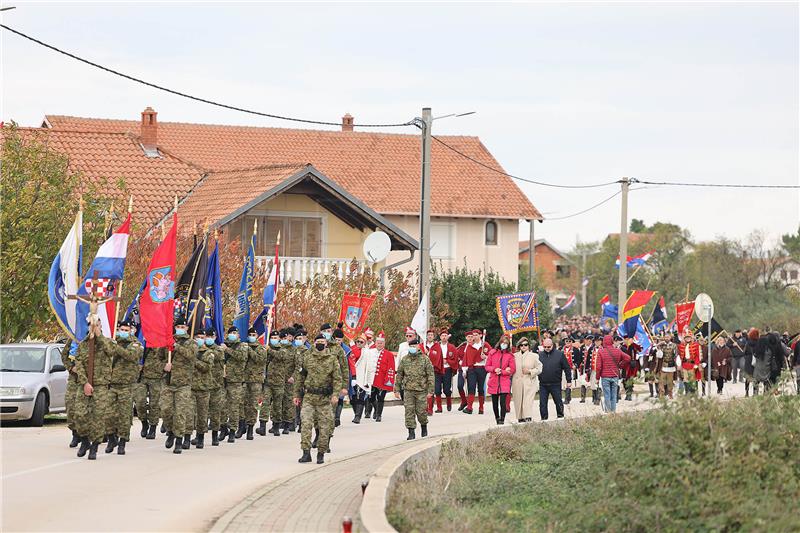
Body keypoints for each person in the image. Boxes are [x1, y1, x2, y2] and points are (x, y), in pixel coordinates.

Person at [72, 314, 119, 460]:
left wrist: (98, 334)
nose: (93, 327)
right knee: (79, 415)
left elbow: (111, 351)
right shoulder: (83, 344)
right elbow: (78, 365)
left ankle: (95, 446)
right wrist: (85, 382)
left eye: (97, 325)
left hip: (101, 385)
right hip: (84, 385)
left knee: (98, 418)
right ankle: (85, 441)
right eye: (92, 325)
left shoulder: (108, 342)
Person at [295, 334, 341, 464]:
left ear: (326, 343)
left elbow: (337, 378)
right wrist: (296, 395)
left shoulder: (332, 359)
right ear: (314, 343)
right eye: (318, 341)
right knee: (305, 424)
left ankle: (321, 453)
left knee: (324, 427)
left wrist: (335, 394)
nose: (320, 343)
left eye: (322, 341)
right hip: (309, 397)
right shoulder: (307, 358)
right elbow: (300, 378)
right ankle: (306, 452)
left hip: (324, 399)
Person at [105, 321, 143, 455]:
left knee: (124, 416)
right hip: (112, 384)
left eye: (126, 330)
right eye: (122, 329)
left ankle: (122, 442)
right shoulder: (113, 341)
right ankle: (111, 438)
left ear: (131, 330)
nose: (124, 331)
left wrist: (117, 348)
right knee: (108, 414)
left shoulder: (136, 344)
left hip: (127, 386)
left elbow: (131, 356)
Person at [161, 320, 198, 454]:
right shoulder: (167, 342)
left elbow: (191, 355)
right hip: (168, 383)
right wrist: (164, 366)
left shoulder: (191, 343)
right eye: (178, 327)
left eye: (183, 327)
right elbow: (157, 360)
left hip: (183, 384)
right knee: (166, 410)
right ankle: (170, 431)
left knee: (180, 413)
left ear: (187, 328)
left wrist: (176, 346)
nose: (180, 329)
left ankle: (178, 439)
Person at [395, 338, 434, 439]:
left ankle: (424, 427)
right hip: (408, 391)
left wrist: (431, 390)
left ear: (418, 346)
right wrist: (397, 389)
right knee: (409, 411)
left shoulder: (425, 359)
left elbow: (430, 375)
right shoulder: (405, 359)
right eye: (411, 346)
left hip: (421, 390)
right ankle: (411, 432)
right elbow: (399, 374)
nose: (413, 348)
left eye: (414, 346)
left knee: (421, 412)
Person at [133, 344, 166, 441]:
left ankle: (153, 427)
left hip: (157, 378)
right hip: (142, 377)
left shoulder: (163, 346)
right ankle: (144, 422)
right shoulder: (143, 344)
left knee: (154, 404)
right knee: (139, 402)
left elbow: (167, 360)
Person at [221, 326, 248, 443]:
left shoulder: (242, 346)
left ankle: (232, 430)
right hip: (222, 380)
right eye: (231, 333)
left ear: (238, 335)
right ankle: (223, 429)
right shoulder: (222, 345)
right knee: (221, 406)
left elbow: (241, 357)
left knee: (234, 407)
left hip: (236, 381)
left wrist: (227, 350)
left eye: (235, 333)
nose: (233, 334)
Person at [190, 330, 214, 449]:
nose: (200, 339)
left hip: (203, 387)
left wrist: (193, 359)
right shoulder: (189, 351)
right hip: (189, 386)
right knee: (189, 413)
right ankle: (186, 437)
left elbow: (206, 367)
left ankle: (200, 437)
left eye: (202, 337)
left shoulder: (208, 352)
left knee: (202, 414)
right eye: (197, 337)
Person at [537, 337, 572, 420]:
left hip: (555, 383)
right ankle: (544, 419)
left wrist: (569, 380)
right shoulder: (540, 355)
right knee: (542, 403)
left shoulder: (559, 354)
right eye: (545, 347)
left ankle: (560, 417)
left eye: (548, 347)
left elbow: (567, 368)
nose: (546, 349)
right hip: (543, 384)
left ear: (552, 345)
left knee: (558, 402)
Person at [595, 334, 630, 413]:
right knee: (613, 395)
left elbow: (598, 367)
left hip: (605, 376)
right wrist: (620, 365)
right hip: (615, 375)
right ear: (611, 341)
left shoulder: (601, 351)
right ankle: (613, 411)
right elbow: (628, 358)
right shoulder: (617, 350)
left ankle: (608, 411)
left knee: (607, 395)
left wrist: (597, 378)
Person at [243, 327, 267, 440]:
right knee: (242, 403)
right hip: (244, 379)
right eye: (250, 334)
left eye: (254, 334)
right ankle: (241, 426)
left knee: (253, 405)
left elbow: (259, 359)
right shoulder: (244, 346)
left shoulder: (260, 348)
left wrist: (249, 350)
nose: (252, 336)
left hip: (256, 380)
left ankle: (250, 429)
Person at [486, 335, 516, 425]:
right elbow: (487, 366)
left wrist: (503, 371)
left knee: (503, 402)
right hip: (494, 380)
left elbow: (512, 369)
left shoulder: (510, 355)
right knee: (494, 402)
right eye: (503, 343)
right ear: (500, 343)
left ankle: (502, 419)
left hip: (504, 381)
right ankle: (497, 418)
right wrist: (494, 369)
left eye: (506, 343)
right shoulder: (492, 353)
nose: (504, 345)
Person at [460, 330, 491, 415]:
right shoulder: (470, 346)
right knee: (471, 387)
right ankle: (469, 407)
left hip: (482, 368)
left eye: (476, 335)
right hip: (472, 369)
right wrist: (464, 370)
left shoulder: (485, 345)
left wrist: (486, 357)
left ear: (481, 335)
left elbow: (492, 357)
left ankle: (481, 408)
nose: (474, 337)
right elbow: (466, 358)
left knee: (481, 388)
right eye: (473, 335)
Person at [511, 337, 541, 422]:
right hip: (517, 382)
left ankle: (528, 416)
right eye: (521, 345)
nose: (523, 346)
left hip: (529, 381)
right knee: (518, 400)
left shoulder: (534, 356)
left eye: (525, 345)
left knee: (527, 401)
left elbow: (539, 368)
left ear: (529, 346)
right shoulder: (514, 356)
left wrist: (530, 371)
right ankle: (520, 417)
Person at [368, 332, 395, 422]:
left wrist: (388, 380)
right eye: (378, 343)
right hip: (372, 379)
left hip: (382, 380)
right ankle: (376, 409)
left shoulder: (389, 354)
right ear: (375, 343)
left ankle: (379, 414)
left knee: (380, 398)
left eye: (381, 343)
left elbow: (391, 368)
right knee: (371, 397)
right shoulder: (370, 352)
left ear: (384, 344)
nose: (379, 344)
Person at [205, 329, 225, 446]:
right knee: (202, 412)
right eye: (206, 336)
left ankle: (214, 435)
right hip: (203, 384)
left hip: (216, 385)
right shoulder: (200, 348)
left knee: (215, 411)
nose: (208, 338)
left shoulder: (218, 349)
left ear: (215, 337)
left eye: (210, 336)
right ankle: (200, 435)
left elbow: (216, 356)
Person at [60, 339, 80, 448]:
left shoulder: (100, 337)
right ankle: (75, 433)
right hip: (75, 379)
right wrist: (71, 367)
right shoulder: (74, 337)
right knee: (71, 406)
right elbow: (64, 355)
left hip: (93, 380)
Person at [423, 330, 445, 414]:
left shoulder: (437, 346)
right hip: (423, 372)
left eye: (431, 335)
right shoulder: (423, 345)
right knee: (424, 389)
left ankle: (430, 409)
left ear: (434, 336)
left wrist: (429, 353)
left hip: (434, 371)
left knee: (432, 390)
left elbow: (438, 357)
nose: (430, 336)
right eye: (428, 335)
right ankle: (425, 407)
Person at [349, 334, 368, 423]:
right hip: (352, 376)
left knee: (361, 397)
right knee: (352, 397)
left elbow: (357, 354)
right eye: (358, 341)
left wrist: (352, 344)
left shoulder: (366, 352)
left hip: (362, 377)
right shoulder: (352, 350)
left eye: (361, 342)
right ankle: (356, 413)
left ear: (365, 343)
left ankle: (358, 417)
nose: (359, 343)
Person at [396, 327, 417, 400]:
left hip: (414, 372)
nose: (408, 337)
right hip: (403, 371)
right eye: (407, 335)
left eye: (410, 336)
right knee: (403, 391)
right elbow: (398, 357)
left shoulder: (418, 345)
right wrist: (397, 370)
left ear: (414, 336)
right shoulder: (402, 345)